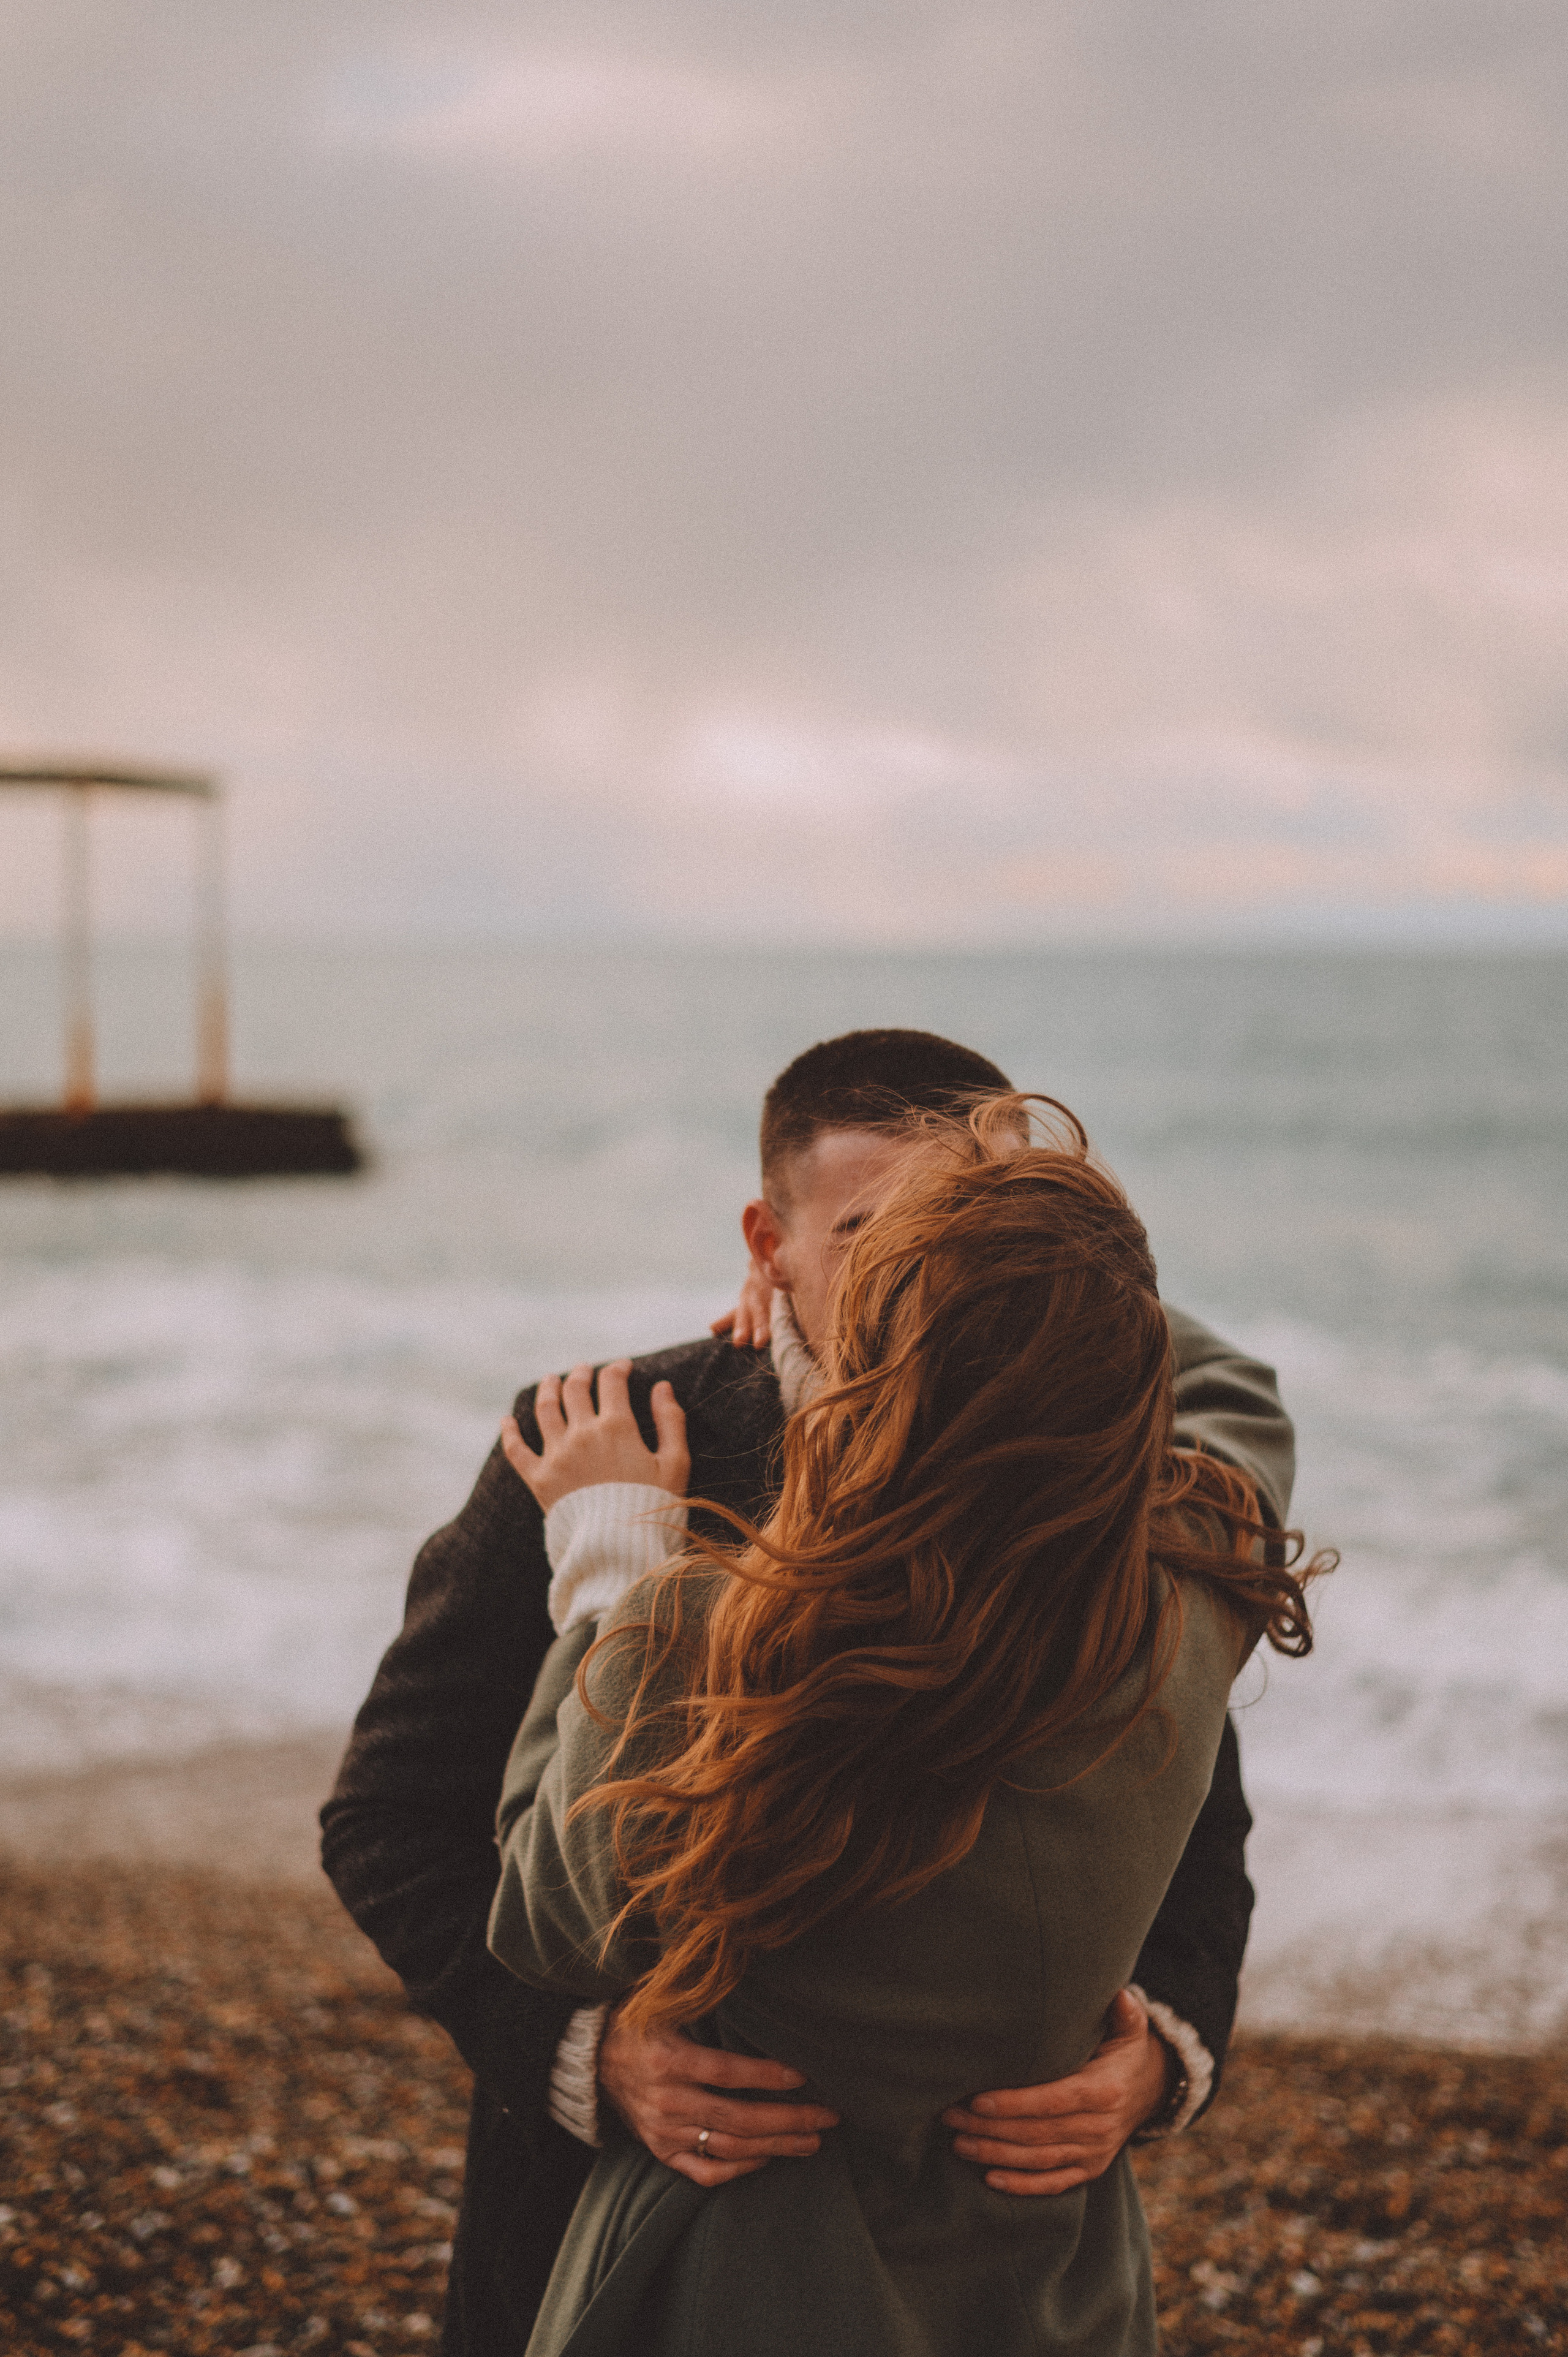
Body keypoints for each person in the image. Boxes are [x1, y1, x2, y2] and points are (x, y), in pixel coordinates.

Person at [320, 1031, 1294, 2355]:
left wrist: (1164, 2050)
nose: (948, 1275)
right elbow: (390, 1816)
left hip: (994, 2242)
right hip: (627, 2225)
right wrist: (581, 2053)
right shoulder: (602, 1442)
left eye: (985, 1226)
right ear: (767, 1244)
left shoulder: (1100, 1479)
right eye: (882, 1235)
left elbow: (1187, 1810)